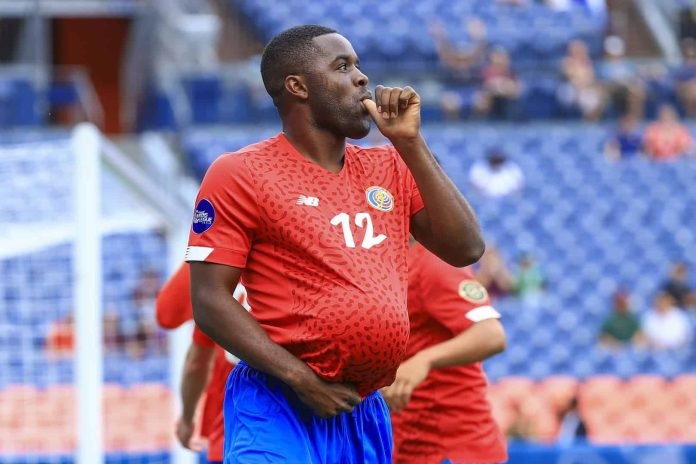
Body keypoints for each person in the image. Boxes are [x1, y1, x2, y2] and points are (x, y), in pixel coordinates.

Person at [185, 25, 485, 463]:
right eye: (342, 66)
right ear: (297, 86)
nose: (362, 78)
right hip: (278, 401)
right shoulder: (240, 172)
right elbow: (209, 299)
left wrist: (410, 144)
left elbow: (467, 249)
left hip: (361, 410)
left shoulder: (391, 165)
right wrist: (302, 379)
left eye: (359, 65)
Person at [383, 239, 507, 464]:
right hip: (411, 442)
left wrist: (424, 360)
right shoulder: (388, 258)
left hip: (454, 448)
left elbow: (491, 334)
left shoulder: (435, 262)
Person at [155, 263, 250, 464]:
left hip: (233, 433)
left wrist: (187, 419)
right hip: (314, 427)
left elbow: (166, 314)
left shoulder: (217, 262)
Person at [559, 40, 605, 121]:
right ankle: (584, 120)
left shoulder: (587, 62)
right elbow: (570, 77)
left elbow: (590, 79)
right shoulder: (566, 62)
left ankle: (591, 120)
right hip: (570, 89)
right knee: (580, 96)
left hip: (585, 88)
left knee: (598, 94)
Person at [474, 47, 522, 120]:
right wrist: (496, 87)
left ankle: (512, 121)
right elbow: (484, 87)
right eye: (497, 57)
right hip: (491, 98)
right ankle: (481, 122)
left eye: (501, 57)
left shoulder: (511, 72)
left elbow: (517, 88)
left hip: (507, 98)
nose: (499, 60)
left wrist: (504, 87)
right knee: (481, 100)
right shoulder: (486, 71)